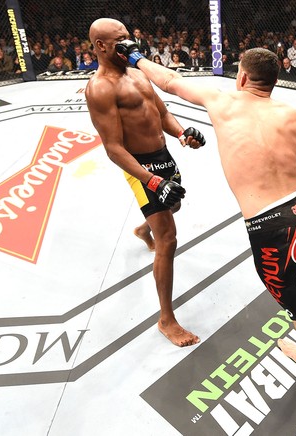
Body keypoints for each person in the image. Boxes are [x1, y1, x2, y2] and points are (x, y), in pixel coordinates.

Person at [120, 42, 296, 435]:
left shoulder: (221, 103)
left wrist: (134, 57)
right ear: (274, 81)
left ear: (241, 77)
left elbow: (169, 80)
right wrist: (293, 212)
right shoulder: (293, 114)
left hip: (276, 231)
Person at [85, 18, 206, 347]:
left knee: (174, 204)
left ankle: (144, 229)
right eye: (120, 40)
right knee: (168, 238)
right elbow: (113, 148)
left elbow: (162, 113)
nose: (129, 45)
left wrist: (182, 133)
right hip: (139, 165)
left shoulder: (138, 74)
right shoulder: (100, 88)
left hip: (164, 154)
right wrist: (152, 181)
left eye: (129, 37)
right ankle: (166, 319)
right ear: (101, 46)